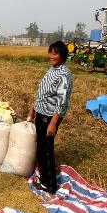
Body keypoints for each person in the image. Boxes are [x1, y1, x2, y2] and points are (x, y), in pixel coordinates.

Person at [28, 41, 74, 194]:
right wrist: (33, 108)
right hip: (41, 113)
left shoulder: (64, 74)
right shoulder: (52, 69)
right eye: (50, 52)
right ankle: (44, 178)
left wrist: (53, 123)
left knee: (46, 149)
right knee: (41, 147)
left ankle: (50, 184)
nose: (51, 56)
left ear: (62, 55)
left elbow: (62, 101)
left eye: (55, 53)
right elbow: (42, 92)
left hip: (50, 116)